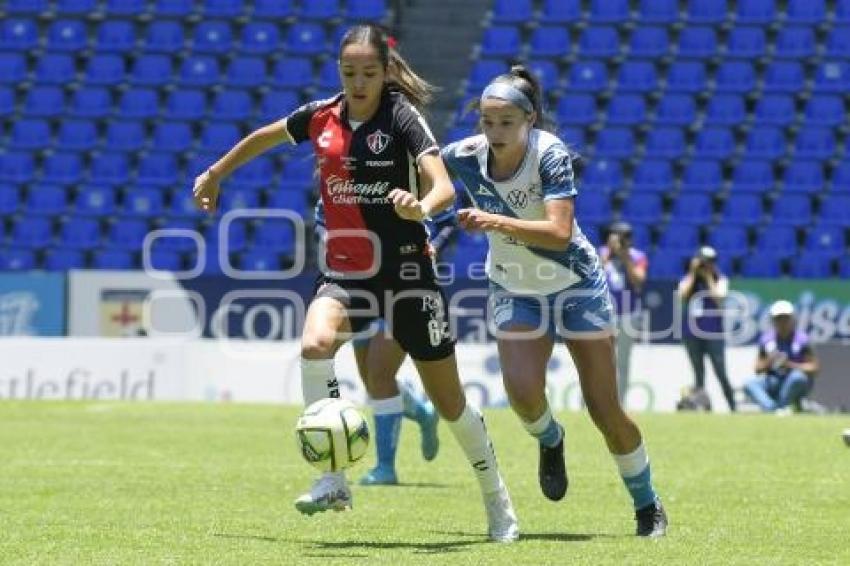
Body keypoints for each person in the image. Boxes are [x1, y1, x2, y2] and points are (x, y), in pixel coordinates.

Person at [192, 24, 518, 542]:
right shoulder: (321, 117)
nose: (359, 82)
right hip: (347, 273)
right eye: (349, 73)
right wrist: (215, 173)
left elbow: (442, 185)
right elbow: (264, 137)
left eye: (369, 72)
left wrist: (421, 206)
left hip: (409, 274)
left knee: (451, 403)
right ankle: (332, 478)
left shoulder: (403, 118)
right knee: (314, 343)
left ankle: (496, 500)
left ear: (387, 72)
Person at [441, 65, 668, 537]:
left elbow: (559, 233)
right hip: (513, 287)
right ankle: (551, 439)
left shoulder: (550, 154)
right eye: (487, 122)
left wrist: (492, 221)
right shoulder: (463, 154)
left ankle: (647, 504)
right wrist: (417, 208)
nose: (495, 132)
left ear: (529, 121)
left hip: (575, 284)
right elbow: (426, 171)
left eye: (506, 123)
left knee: (604, 409)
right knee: (523, 395)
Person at [315, 200, 455, 485]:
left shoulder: (400, 177)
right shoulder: (330, 192)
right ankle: (423, 412)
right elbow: (323, 231)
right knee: (372, 381)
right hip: (359, 289)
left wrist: (434, 246)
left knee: (380, 376)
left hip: (403, 286)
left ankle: (385, 468)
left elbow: (447, 220)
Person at [677, 246, 736, 412]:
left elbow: (719, 298)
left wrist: (709, 278)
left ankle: (733, 406)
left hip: (713, 333)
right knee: (698, 374)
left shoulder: (720, 279)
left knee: (720, 372)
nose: (707, 265)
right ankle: (702, 406)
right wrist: (693, 273)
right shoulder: (689, 280)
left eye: (710, 262)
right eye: (704, 262)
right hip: (692, 333)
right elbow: (682, 295)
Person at [598, 221, 648, 404]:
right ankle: (595, 400)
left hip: (628, 315)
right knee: (599, 360)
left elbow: (638, 281)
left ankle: (620, 402)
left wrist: (626, 258)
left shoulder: (638, 256)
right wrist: (608, 255)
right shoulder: (602, 253)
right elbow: (593, 277)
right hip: (604, 315)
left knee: (623, 362)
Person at [744, 300, 818, 413]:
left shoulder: (802, 340)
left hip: (794, 381)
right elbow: (757, 369)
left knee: (797, 377)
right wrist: (770, 361)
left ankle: (782, 406)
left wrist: (790, 365)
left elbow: (814, 368)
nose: (782, 322)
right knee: (750, 383)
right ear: (773, 320)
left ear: (792, 319)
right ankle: (771, 408)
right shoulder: (767, 340)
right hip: (773, 380)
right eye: (779, 318)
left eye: (785, 318)